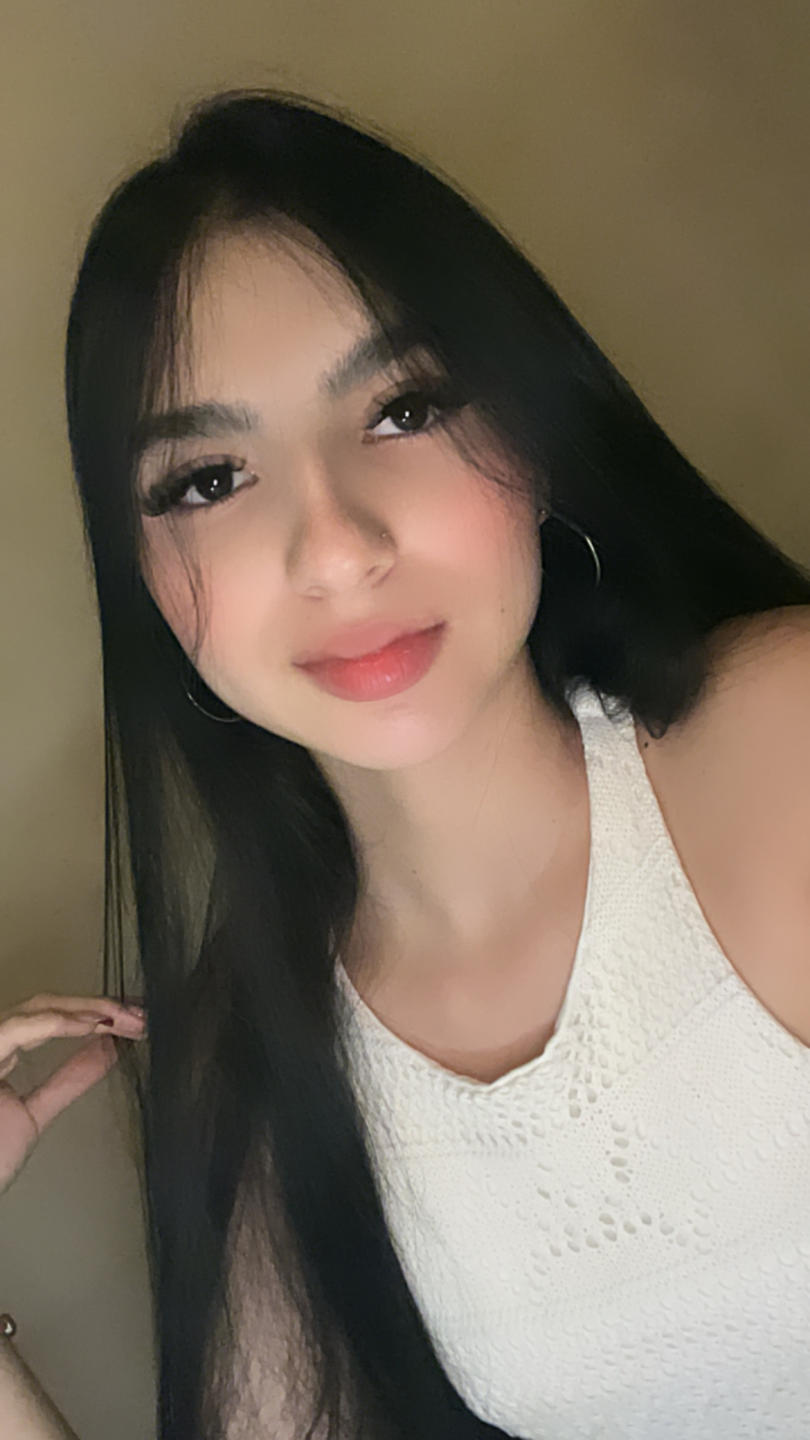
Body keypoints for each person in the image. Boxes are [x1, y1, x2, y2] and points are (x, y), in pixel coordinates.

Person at [2, 85, 810, 1440]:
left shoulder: (783, 742)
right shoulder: (256, 1055)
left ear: (534, 435)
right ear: (141, 578)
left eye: (404, 407)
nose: (335, 548)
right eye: (208, 480)